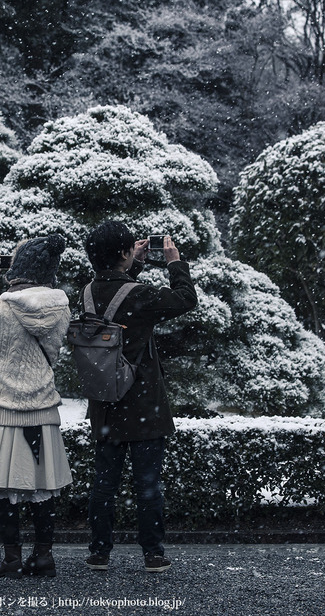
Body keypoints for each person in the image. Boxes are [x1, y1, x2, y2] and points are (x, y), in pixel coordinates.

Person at [81, 221, 197, 573]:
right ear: (122, 253)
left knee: (104, 483)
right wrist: (175, 262)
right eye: (131, 247)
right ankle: (153, 553)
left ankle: (99, 551)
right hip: (143, 401)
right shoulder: (142, 294)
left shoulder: (86, 291)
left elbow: (117, 298)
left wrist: (135, 264)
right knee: (147, 484)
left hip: (105, 401)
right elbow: (185, 300)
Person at [0, 234, 73, 579]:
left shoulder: (3, 309)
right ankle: (44, 556)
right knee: (42, 486)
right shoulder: (59, 306)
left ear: (18, 270)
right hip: (41, 409)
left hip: (0, 411)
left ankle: (11, 558)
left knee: (2, 488)